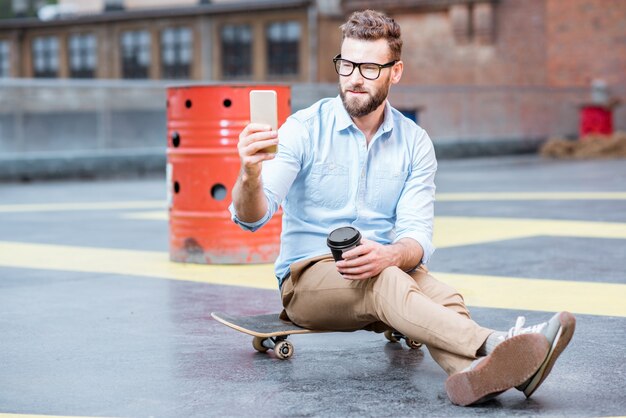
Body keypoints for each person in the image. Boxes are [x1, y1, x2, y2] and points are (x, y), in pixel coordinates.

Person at [229, 9, 575, 406]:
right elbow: (251, 217)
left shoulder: (415, 143)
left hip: (384, 267)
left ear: (396, 72)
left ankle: (476, 377)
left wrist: (390, 254)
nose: (355, 78)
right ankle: (501, 345)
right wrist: (250, 173)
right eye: (347, 64)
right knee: (388, 281)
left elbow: (416, 236)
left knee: (445, 297)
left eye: (371, 67)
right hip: (308, 281)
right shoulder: (302, 129)